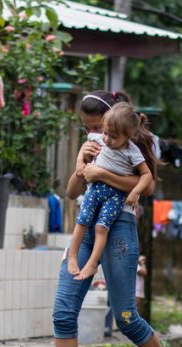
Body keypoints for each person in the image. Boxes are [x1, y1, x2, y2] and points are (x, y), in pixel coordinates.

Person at [32, 90, 182, 347]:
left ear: (114, 122)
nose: (94, 134)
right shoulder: (94, 144)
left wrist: (102, 174)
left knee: (126, 317)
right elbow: (73, 191)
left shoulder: (130, 146)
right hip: (85, 226)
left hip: (119, 227)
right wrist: (83, 164)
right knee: (63, 311)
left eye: (97, 127)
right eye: (87, 128)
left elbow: (145, 185)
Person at [67, 103, 153, 280]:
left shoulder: (132, 152)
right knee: (82, 220)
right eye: (105, 133)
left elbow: (147, 176)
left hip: (115, 195)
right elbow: (84, 149)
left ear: (128, 137)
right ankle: (72, 256)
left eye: (113, 137)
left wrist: (135, 192)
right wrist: (79, 162)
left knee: (101, 227)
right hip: (95, 190)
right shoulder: (99, 139)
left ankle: (92, 265)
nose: (107, 139)